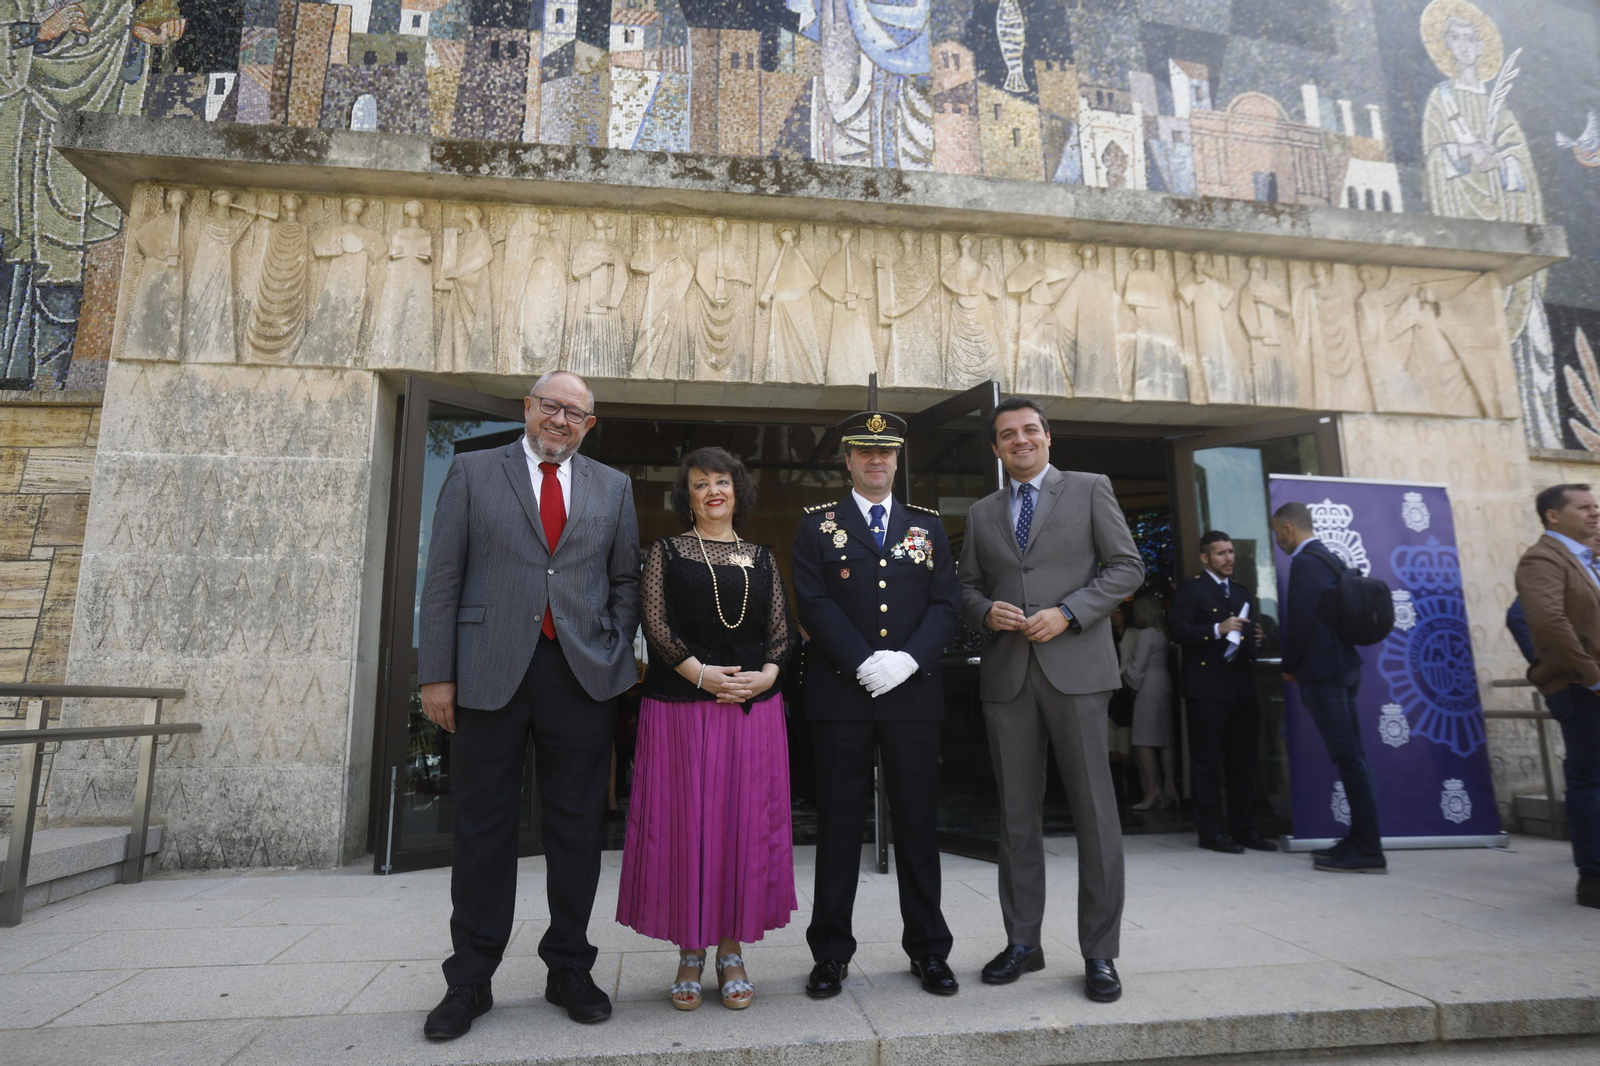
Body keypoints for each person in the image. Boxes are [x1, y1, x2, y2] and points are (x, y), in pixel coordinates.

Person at [416, 370, 641, 1038]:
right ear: (528, 408)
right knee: (482, 828)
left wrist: (611, 648)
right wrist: (437, 675)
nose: (562, 420)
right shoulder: (472, 470)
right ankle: (470, 979)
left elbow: (625, 578)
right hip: (488, 673)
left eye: (576, 414)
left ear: (589, 426)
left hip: (579, 676)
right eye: (552, 406)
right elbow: (444, 577)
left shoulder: (614, 486)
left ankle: (569, 965)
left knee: (576, 828)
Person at [958, 396, 1144, 1003]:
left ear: (1047, 437)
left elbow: (1126, 568)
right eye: (1008, 434)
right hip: (1008, 677)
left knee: (1095, 815)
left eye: (1030, 430)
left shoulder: (1091, 489)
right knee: (1016, 818)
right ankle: (1023, 942)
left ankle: (1100, 952)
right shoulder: (983, 512)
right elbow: (964, 586)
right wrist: (987, 610)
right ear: (995, 447)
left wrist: (1069, 612)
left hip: (1080, 673)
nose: (1020, 440)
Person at [617, 447, 798, 1010]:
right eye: (701, 485)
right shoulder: (666, 553)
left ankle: (731, 949)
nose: (713, 491)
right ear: (686, 496)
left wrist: (766, 677)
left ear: (738, 492)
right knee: (688, 827)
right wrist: (701, 675)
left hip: (752, 711)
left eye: (723, 481)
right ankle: (690, 951)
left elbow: (782, 632)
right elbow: (655, 623)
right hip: (681, 711)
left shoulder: (761, 556)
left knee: (741, 829)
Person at [791, 409, 962, 1000]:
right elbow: (813, 602)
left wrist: (909, 660)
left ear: (897, 459)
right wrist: (863, 661)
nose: (876, 460)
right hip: (843, 693)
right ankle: (831, 953)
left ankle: (929, 951)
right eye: (864, 452)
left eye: (886, 452)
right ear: (847, 460)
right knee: (839, 827)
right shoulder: (818, 525)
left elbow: (946, 604)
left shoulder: (927, 526)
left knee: (917, 825)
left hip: (913, 695)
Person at [1270, 501, 1381, 874]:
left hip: (1324, 673)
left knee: (1350, 759)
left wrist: (1289, 667)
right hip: (1345, 666)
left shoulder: (1305, 562)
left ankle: (1367, 848)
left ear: (1288, 529)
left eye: (1276, 533)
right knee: (1354, 757)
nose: (1277, 541)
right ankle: (1360, 840)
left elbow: (1298, 622)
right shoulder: (1329, 557)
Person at [1514, 484, 1600, 909]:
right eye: (1583, 508)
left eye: (1596, 506)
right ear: (1553, 516)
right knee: (1590, 779)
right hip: (1581, 688)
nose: (1594, 513)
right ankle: (1594, 878)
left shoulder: (1588, 559)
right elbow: (1548, 621)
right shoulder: (1542, 558)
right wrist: (1592, 676)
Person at [1169, 531, 1276, 853]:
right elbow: (1177, 631)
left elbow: (1248, 645)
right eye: (1221, 553)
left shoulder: (1243, 592)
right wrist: (1218, 628)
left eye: (1231, 552)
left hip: (1241, 687)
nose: (1229, 558)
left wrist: (1256, 640)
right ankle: (1211, 832)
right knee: (1208, 763)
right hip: (1208, 688)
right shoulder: (1192, 588)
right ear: (1206, 558)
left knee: (1243, 764)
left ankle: (1245, 829)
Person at [1123, 595, 1178, 812]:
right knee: (1164, 739)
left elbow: (1138, 667)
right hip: (1164, 682)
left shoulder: (1146, 634)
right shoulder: (1162, 632)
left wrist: (1127, 675)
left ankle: (1152, 789)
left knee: (1143, 739)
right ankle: (1171, 787)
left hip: (1148, 686)